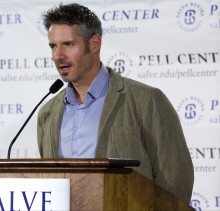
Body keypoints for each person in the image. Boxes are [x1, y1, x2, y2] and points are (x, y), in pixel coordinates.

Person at [37, 3, 194, 203]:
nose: (58, 56)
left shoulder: (147, 100)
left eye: (68, 44)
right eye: (53, 46)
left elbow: (176, 181)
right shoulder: (47, 113)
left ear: (94, 44)